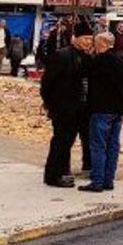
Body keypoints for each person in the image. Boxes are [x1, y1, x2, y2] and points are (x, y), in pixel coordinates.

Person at [40, 18, 94, 187]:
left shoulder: (87, 58)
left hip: (81, 110)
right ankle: (53, 175)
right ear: (75, 38)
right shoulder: (62, 55)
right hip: (63, 109)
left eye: (90, 39)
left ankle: (64, 171)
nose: (88, 42)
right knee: (60, 142)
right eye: (85, 39)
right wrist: (50, 104)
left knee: (68, 142)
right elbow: (47, 83)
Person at [78, 32, 123, 192]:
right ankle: (108, 180)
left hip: (100, 109)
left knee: (98, 146)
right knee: (112, 146)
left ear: (102, 44)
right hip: (117, 111)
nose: (93, 46)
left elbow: (85, 77)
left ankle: (97, 181)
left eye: (95, 43)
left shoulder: (98, 62)